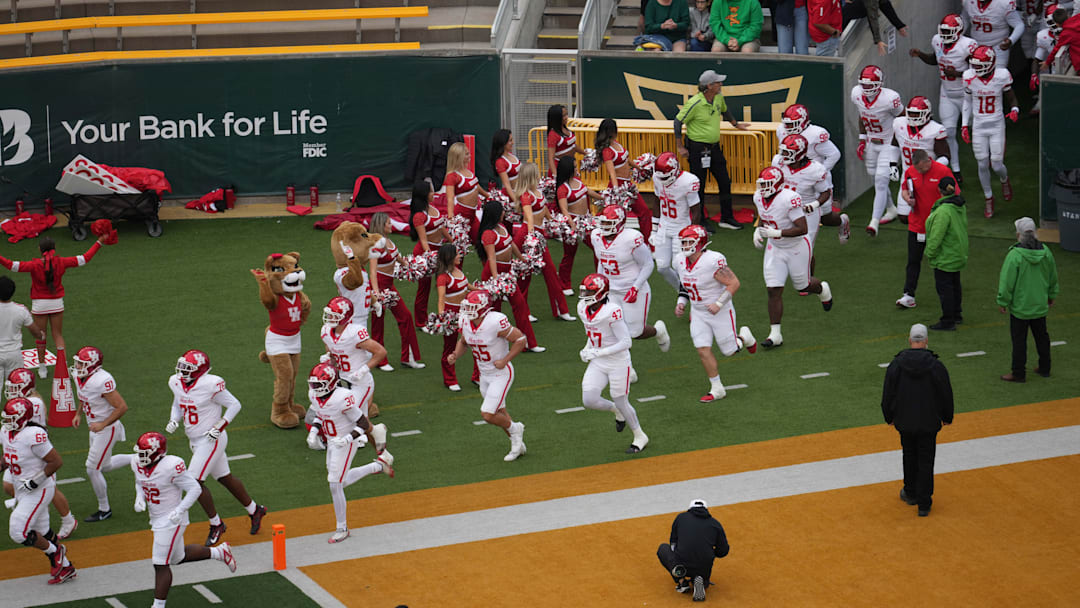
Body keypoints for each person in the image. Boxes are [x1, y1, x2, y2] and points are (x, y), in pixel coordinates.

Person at [164, 349, 268, 547]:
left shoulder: (210, 384)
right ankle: (255, 510)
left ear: (200, 371)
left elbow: (235, 405)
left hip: (211, 439)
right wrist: (174, 419)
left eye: (188, 368)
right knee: (224, 477)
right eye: (183, 367)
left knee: (194, 482)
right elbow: (178, 402)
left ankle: (216, 524)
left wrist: (219, 426)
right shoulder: (176, 382)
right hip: (194, 439)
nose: (182, 371)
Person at [124, 432, 237, 607]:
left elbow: (194, 489)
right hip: (156, 517)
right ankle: (220, 552)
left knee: (160, 564)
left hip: (171, 519)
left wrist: (180, 510)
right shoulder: (138, 462)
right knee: (177, 557)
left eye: (143, 453)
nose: (140, 456)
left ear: (156, 453)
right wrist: (139, 497)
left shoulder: (171, 465)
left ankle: (158, 606)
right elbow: (140, 480)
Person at [306, 362, 395, 543]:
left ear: (330, 383)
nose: (315, 388)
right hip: (333, 441)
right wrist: (314, 431)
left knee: (334, 483)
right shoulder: (316, 396)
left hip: (346, 441)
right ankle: (377, 466)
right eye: (313, 384)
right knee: (341, 480)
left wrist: (347, 439)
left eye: (318, 385)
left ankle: (342, 528)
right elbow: (320, 415)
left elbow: (363, 423)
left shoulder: (343, 397)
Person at [0, 235, 109, 380]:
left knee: (41, 336)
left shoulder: (34, 265)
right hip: (57, 303)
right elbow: (85, 258)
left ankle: (42, 368)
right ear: (54, 249)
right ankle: (62, 366)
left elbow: (11, 265)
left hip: (39, 305)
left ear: (39, 249)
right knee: (57, 335)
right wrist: (99, 242)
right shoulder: (62, 262)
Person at [751, 167, 833, 348]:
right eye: (761, 184)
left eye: (766, 184)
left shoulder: (789, 198)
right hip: (776, 247)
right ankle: (775, 334)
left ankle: (823, 289)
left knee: (803, 285)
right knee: (773, 290)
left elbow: (802, 228)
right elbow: (764, 215)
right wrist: (759, 229)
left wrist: (776, 231)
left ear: (777, 185)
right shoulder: (758, 197)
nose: (763, 188)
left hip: (796, 247)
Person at [590, 205, 671, 383]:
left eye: (608, 223)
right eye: (603, 222)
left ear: (619, 224)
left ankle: (658, 331)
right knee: (615, 330)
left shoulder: (631, 239)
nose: (604, 226)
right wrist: (600, 283)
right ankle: (628, 369)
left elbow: (648, 264)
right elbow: (602, 262)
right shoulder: (596, 236)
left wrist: (635, 287)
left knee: (634, 332)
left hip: (634, 289)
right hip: (611, 290)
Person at [674, 225, 756, 402]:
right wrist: (681, 302)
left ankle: (744, 338)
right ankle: (717, 388)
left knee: (729, 351)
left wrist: (719, 303)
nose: (685, 245)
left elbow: (734, 283)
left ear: (700, 243)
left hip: (720, 311)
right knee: (702, 349)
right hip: (698, 312)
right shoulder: (680, 260)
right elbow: (685, 282)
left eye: (689, 242)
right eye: (684, 242)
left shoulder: (712, 261)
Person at [881, 323, 954, 517]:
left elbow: (888, 393)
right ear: (927, 341)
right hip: (929, 421)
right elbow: (945, 393)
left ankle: (910, 492)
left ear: (910, 340)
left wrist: (889, 416)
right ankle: (924, 503)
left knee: (909, 455)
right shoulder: (936, 366)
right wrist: (947, 417)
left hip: (904, 420)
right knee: (926, 459)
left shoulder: (896, 364)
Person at [2, 398, 77, 585]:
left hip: (39, 489)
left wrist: (36, 481)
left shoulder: (33, 434)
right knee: (41, 531)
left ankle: (56, 552)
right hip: (21, 486)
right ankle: (66, 567)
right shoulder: (5, 431)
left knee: (18, 531)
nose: (7, 422)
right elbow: (9, 455)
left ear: (22, 418)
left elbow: (56, 462)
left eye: (12, 418)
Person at [449, 290, 529, 462]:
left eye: (472, 307)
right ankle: (517, 445)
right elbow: (463, 341)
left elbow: (521, 339)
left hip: (501, 373)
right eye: (467, 306)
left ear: (483, 308)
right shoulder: (466, 321)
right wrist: (456, 354)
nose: (468, 310)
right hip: (483, 374)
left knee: (487, 414)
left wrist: (505, 359)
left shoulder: (495, 322)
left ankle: (516, 429)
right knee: (499, 411)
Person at [577, 273, 649, 453]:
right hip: (599, 360)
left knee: (621, 400)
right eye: (584, 292)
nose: (584, 296)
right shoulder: (581, 307)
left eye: (588, 292)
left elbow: (626, 342)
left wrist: (598, 352)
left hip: (618, 362)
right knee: (589, 399)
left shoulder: (612, 311)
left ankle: (640, 435)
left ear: (600, 293)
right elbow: (592, 334)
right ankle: (615, 411)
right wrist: (587, 348)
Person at [3, 367, 78, 539]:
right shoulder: (27, 401)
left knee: (49, 489)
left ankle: (68, 520)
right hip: (23, 450)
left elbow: (28, 429)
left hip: (36, 453)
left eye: (15, 387)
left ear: (26, 387)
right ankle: (32, 506)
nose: (11, 392)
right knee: (9, 485)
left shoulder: (32, 404)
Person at [675, 70, 749, 231]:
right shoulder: (695, 103)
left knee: (724, 181)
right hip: (697, 149)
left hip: (714, 148)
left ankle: (727, 217)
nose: (721, 84)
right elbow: (678, 121)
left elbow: (724, 110)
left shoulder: (718, 98)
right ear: (709, 86)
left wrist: (736, 124)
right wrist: (680, 146)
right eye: (718, 82)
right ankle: (699, 220)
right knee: (698, 186)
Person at [909, 14, 978, 184]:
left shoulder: (967, 45)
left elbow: (978, 71)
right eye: (944, 31)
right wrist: (921, 55)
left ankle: (988, 157)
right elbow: (936, 59)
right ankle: (955, 169)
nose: (945, 35)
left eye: (949, 31)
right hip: (947, 93)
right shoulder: (937, 41)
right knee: (949, 132)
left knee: (976, 130)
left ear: (958, 31)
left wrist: (958, 74)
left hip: (967, 94)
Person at [775, 104, 849, 244]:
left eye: (793, 124)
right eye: (787, 124)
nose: (789, 128)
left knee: (825, 217)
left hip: (815, 179)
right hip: (794, 177)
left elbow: (834, 155)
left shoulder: (814, 134)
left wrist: (819, 173)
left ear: (803, 121)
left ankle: (842, 221)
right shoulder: (782, 130)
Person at [997, 217, 1059, 382]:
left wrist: (1003, 302)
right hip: (1039, 305)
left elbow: (1007, 282)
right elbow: (1053, 277)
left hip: (1020, 307)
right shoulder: (1046, 252)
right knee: (1042, 337)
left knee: (1019, 341)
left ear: (1019, 235)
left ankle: (1018, 373)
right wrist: (1051, 295)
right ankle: (1045, 367)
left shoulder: (1014, 255)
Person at [476, 203, 544, 354]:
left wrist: (522, 259)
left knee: (520, 306)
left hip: (507, 272)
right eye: (501, 211)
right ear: (495, 214)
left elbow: (511, 244)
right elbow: (491, 258)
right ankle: (493, 344)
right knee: (494, 311)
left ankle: (529, 344)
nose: (503, 213)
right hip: (495, 274)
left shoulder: (501, 227)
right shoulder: (488, 234)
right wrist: (496, 280)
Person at [72, 345, 129, 523]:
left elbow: (122, 407)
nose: (77, 367)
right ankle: (136, 459)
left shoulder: (102, 380)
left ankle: (104, 509)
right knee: (104, 466)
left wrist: (103, 424)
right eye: (77, 363)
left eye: (82, 364)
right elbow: (84, 396)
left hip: (107, 428)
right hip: (95, 426)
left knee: (92, 469)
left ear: (93, 366)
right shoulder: (79, 376)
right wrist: (78, 414)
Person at [962, 45, 1019, 219]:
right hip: (979, 125)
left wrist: (1015, 108)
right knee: (981, 163)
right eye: (975, 66)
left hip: (996, 124)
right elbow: (967, 102)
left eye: (980, 66)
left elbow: (1011, 96)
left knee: (996, 164)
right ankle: (989, 197)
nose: (976, 69)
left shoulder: (1002, 76)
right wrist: (965, 125)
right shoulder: (969, 77)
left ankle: (1004, 179)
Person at [513, 162, 575, 321]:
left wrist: (554, 221)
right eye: (536, 173)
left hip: (537, 234)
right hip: (528, 235)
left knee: (551, 273)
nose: (539, 175)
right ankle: (523, 312)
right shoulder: (526, 196)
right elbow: (529, 217)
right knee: (525, 276)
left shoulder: (538, 192)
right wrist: (532, 239)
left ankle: (562, 310)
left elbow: (544, 209)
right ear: (531, 176)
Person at [897, 150, 956, 310]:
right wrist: (907, 198)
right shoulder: (911, 171)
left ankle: (950, 297)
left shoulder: (943, 171)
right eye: (918, 169)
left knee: (942, 263)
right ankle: (908, 295)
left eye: (923, 169)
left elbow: (955, 194)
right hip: (917, 225)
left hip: (939, 227)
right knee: (913, 261)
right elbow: (904, 188)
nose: (920, 172)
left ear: (928, 161)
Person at [367, 213, 424, 371]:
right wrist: (376, 293)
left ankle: (408, 357)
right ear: (381, 225)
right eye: (389, 223)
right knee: (378, 323)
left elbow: (399, 259)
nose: (391, 225)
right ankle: (380, 360)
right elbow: (372, 271)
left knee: (405, 316)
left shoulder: (389, 241)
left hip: (389, 286)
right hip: (378, 286)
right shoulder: (376, 244)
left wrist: (413, 266)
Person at [851, 65, 904, 236]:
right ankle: (891, 209)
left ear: (879, 84)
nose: (865, 89)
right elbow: (862, 116)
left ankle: (874, 223)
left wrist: (898, 148)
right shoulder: (856, 94)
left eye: (869, 85)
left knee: (881, 181)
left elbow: (902, 120)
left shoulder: (890, 98)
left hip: (889, 142)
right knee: (875, 178)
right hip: (872, 144)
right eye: (863, 85)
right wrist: (862, 139)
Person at [656, 498, 730, 602]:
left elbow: (673, 543)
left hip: (682, 561)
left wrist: (676, 558)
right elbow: (724, 551)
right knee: (702, 572)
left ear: (690, 508)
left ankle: (681, 580)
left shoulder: (681, 518)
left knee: (663, 548)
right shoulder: (715, 524)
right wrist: (711, 553)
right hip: (704, 565)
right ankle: (700, 581)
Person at [596, 118, 654, 244]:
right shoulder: (607, 151)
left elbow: (626, 159)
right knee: (614, 218)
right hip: (618, 187)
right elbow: (612, 172)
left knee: (644, 213)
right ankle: (610, 243)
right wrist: (616, 191)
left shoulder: (617, 144)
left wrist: (640, 168)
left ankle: (647, 243)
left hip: (628, 186)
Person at [652, 151, 702, 290]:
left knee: (678, 265)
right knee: (662, 267)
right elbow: (656, 202)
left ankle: (689, 295)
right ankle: (682, 291)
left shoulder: (688, 181)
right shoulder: (657, 177)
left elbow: (696, 210)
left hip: (681, 227)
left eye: (666, 177)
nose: (663, 180)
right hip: (664, 225)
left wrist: (692, 234)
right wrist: (653, 230)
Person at [924, 176, 968, 331]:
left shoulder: (943, 211)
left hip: (946, 255)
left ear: (940, 191)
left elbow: (936, 236)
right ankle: (956, 314)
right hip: (956, 252)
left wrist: (929, 252)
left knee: (945, 289)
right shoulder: (959, 206)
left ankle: (948, 320)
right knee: (955, 284)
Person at [555, 155, 603, 293]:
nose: (577, 169)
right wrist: (572, 225)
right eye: (575, 167)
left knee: (597, 247)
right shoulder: (562, 189)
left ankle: (600, 278)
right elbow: (564, 210)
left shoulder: (578, 180)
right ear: (568, 169)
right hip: (572, 224)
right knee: (569, 255)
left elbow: (588, 191)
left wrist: (603, 197)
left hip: (586, 222)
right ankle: (564, 284)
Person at [409, 183, 449, 328]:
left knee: (446, 282)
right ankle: (420, 322)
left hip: (438, 251)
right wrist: (430, 257)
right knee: (424, 289)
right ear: (424, 194)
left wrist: (452, 241)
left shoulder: (432, 208)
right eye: (431, 192)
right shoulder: (419, 216)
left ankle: (447, 314)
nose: (434, 194)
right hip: (424, 254)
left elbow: (441, 226)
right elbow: (424, 240)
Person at [0, 276, 44, 381]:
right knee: (16, 388)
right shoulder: (21, 310)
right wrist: (41, 335)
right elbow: (35, 332)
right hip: (14, 354)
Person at [444, 141, 489, 241]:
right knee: (460, 245)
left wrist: (487, 195)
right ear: (459, 156)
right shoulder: (452, 176)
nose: (470, 155)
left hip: (473, 214)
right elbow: (450, 198)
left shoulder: (468, 171)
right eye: (467, 154)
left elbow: (476, 186)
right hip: (462, 215)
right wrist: (451, 218)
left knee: (480, 240)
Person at [962, 0, 1025, 71]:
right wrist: (959, 36)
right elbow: (964, 20)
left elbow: (1019, 25)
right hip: (977, 46)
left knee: (998, 75)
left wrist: (1011, 40)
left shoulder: (1003, 3)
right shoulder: (968, 2)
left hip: (998, 46)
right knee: (975, 75)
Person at [546, 104, 585, 178]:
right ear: (557, 118)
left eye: (566, 114)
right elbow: (551, 158)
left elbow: (573, 146)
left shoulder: (566, 129)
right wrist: (555, 175)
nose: (566, 117)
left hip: (571, 167)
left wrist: (585, 153)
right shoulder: (553, 135)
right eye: (564, 116)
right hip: (560, 169)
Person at [491, 129, 522, 204]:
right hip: (512, 197)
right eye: (510, 141)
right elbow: (507, 185)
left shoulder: (511, 155)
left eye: (512, 140)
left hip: (521, 193)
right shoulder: (500, 162)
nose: (513, 143)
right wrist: (517, 202)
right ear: (503, 143)